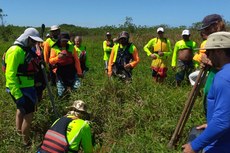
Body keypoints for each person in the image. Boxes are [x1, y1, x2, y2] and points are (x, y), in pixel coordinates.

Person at [182, 31, 230, 153]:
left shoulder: (223, 77)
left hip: (221, 146)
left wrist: (194, 146)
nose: (206, 56)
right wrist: (210, 125)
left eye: (208, 52)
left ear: (219, 52)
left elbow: (222, 121)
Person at [4, 28, 43, 146]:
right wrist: (17, 95)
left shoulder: (26, 50)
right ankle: (25, 142)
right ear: (27, 38)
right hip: (20, 89)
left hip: (28, 87)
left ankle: (19, 137)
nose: (35, 44)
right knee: (29, 114)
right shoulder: (15, 51)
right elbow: (10, 75)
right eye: (33, 41)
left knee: (21, 111)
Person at [192, 14, 226, 115]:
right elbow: (205, 56)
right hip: (213, 76)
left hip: (223, 79)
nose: (205, 33)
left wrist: (213, 63)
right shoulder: (210, 42)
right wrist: (203, 58)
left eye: (207, 29)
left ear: (216, 26)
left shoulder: (226, 40)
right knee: (209, 101)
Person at [49, 32, 82, 97]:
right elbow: (50, 61)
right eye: (63, 41)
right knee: (61, 92)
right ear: (59, 40)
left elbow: (76, 60)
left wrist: (79, 72)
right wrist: (58, 57)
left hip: (71, 71)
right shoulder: (54, 48)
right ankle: (63, 101)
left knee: (77, 87)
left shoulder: (71, 47)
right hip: (60, 72)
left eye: (66, 41)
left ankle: (73, 99)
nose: (65, 42)